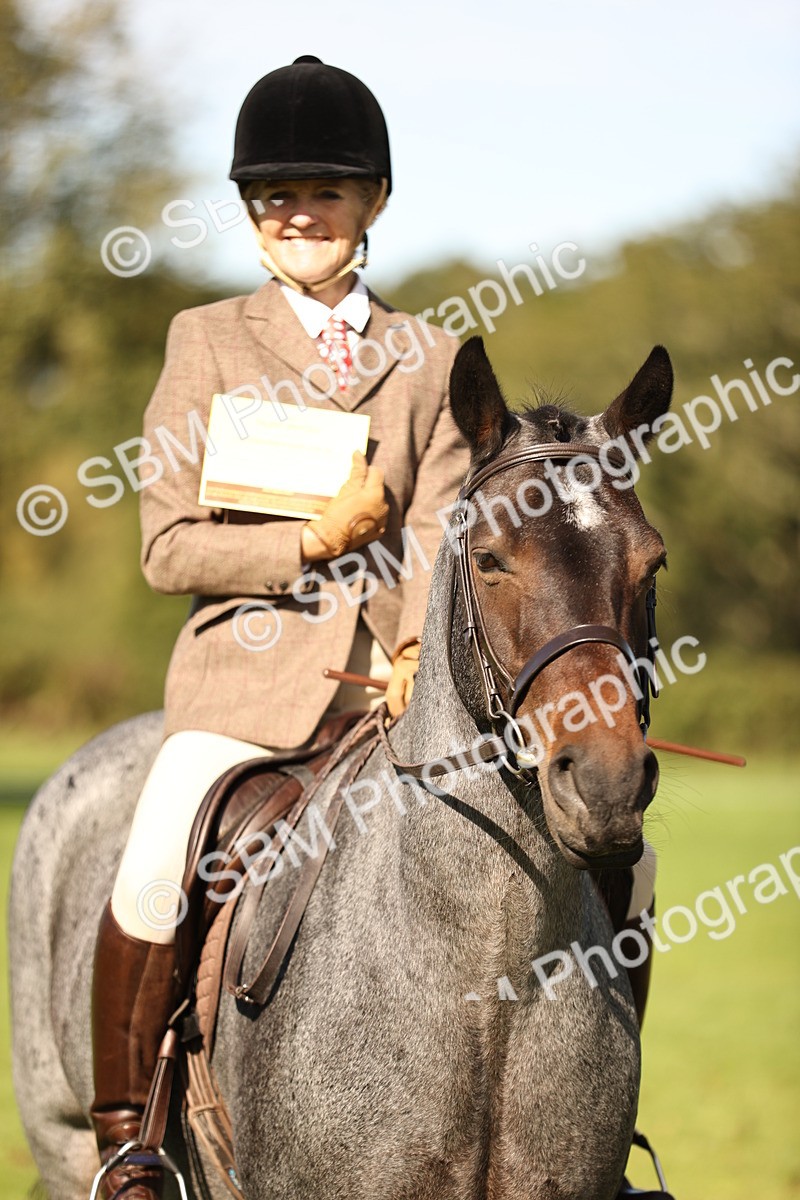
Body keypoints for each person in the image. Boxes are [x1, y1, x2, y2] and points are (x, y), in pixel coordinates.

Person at [89, 55, 470, 1198]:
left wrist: (414, 647)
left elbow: (443, 532)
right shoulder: (204, 340)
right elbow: (168, 549)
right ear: (252, 216)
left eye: (327, 190)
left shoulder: (432, 360)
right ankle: (127, 1141)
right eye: (275, 195)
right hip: (242, 690)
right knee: (155, 864)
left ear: (374, 205)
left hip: (392, 695)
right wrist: (309, 542)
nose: (299, 211)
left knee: (600, 857)